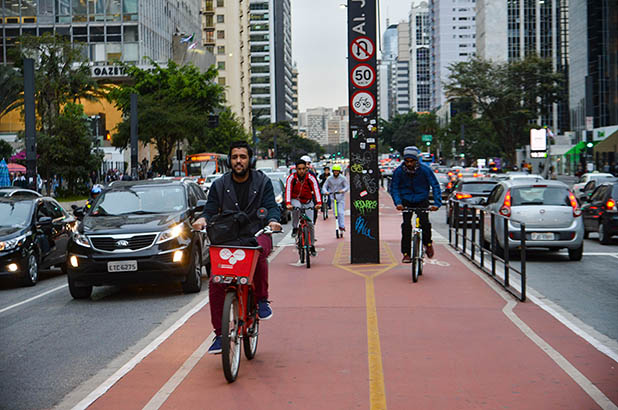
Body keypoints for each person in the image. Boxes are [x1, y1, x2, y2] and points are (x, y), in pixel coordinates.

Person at [192, 141, 282, 354]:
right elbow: (210, 209)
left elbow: (271, 206)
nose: (238, 161)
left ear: (250, 159)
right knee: (216, 280)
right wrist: (203, 219)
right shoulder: (220, 184)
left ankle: (261, 300)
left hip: (256, 233)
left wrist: (273, 221)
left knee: (258, 253)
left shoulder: (262, 182)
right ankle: (219, 334)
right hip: (228, 237)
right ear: (229, 161)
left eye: (242, 157)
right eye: (234, 157)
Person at [390, 146, 441, 263]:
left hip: (422, 199)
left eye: (412, 161)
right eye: (407, 161)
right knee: (406, 226)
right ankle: (406, 253)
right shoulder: (399, 171)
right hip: (405, 200)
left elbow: (435, 186)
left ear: (416, 160)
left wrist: (437, 203)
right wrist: (398, 203)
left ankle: (428, 243)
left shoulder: (425, 170)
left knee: (425, 223)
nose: (409, 164)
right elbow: (394, 188)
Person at [285, 158, 322, 256]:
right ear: (296, 169)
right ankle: (295, 228)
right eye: (299, 169)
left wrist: (319, 203)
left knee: (310, 223)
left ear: (306, 168)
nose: (301, 171)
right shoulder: (291, 178)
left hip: (307, 201)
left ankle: (312, 245)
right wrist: (288, 203)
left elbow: (316, 190)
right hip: (295, 199)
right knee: (296, 208)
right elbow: (288, 190)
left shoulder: (310, 178)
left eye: (303, 169)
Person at [322, 164, 349, 234]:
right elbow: (324, 186)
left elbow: (347, 186)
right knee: (335, 213)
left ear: (339, 171)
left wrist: (342, 190)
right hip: (332, 198)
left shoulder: (343, 178)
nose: (336, 173)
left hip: (340, 198)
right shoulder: (329, 178)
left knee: (341, 212)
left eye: (337, 171)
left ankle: (342, 226)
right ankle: (338, 224)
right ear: (333, 171)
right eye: (335, 171)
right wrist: (326, 192)